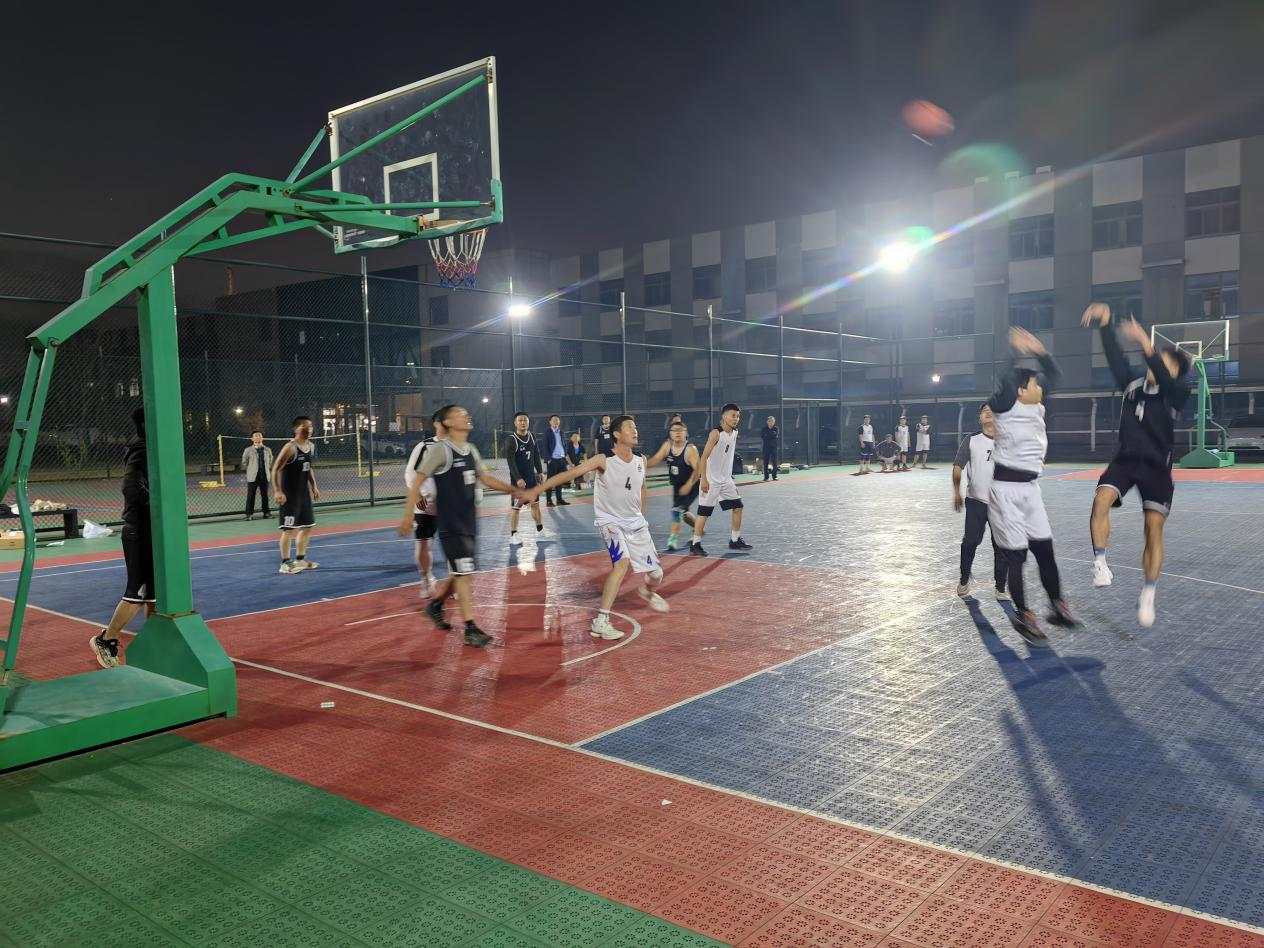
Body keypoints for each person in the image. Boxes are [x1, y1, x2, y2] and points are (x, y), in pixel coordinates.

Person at [1081, 303, 1191, 627]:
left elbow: (1162, 373)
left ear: (1174, 371)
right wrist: (1105, 324)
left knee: (1153, 528)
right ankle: (1100, 564)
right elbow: (1115, 356)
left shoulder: (1177, 393)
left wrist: (1145, 341)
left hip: (1157, 467)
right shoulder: (1132, 385)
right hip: (1126, 460)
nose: (1154, 362)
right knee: (1101, 499)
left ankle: (1148, 592)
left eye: (1164, 361)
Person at [525, 414, 668, 640]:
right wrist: (537, 490)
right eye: (630, 427)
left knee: (657, 574)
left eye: (635, 427)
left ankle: (648, 591)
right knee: (622, 562)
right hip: (610, 521)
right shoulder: (604, 459)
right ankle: (601, 621)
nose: (635, 430)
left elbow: (642, 488)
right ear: (616, 434)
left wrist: (640, 516)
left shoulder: (640, 459)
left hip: (635, 523)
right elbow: (570, 473)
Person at [399, 404, 522, 648]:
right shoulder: (439, 450)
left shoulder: (470, 450)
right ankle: (470, 629)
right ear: (447, 422)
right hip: (450, 523)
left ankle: (435, 606)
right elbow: (417, 480)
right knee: (464, 575)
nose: (466, 416)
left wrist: (513, 490)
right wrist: (407, 514)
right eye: (460, 414)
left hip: (469, 521)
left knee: (459, 574)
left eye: (466, 413)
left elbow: (485, 478)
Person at [987, 327, 1078, 646]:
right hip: (1005, 491)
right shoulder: (1005, 405)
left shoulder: (1036, 404)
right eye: (1035, 383)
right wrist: (1014, 351)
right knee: (1017, 557)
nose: (1042, 386)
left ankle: (1057, 606)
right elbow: (1003, 377)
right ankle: (1024, 615)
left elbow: (1055, 374)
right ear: (1020, 390)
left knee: (1045, 550)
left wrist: (1039, 350)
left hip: (1030, 489)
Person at [91, 406, 154, 668]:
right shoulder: (142, 451)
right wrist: (158, 504)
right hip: (139, 530)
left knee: (155, 595)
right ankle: (106, 639)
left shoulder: (152, 449)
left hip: (152, 529)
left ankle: (155, 644)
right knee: (137, 593)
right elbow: (131, 489)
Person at [952, 404, 1009, 601]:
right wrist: (956, 492)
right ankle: (964, 578)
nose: (989, 413)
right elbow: (958, 466)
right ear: (980, 418)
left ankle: (1000, 587)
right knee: (970, 542)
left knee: (1001, 546)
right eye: (985, 411)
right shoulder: (972, 440)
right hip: (976, 501)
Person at [690, 403, 752, 556]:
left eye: (738, 416)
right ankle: (695, 544)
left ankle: (734, 540)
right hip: (711, 481)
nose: (736, 419)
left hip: (726, 481)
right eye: (733, 415)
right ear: (724, 416)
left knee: (738, 507)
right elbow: (703, 457)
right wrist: (704, 479)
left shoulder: (735, 432)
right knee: (704, 513)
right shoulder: (715, 434)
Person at [403, 409, 445, 597]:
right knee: (423, 546)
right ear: (436, 423)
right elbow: (410, 473)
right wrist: (418, 494)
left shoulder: (459, 447)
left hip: (450, 507)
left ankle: (454, 583)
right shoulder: (424, 446)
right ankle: (426, 579)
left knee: (454, 547)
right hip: (425, 507)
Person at [272, 416, 321, 574]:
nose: (310, 429)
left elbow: (308, 467)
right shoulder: (290, 447)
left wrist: (314, 486)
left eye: (311, 426)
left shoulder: (310, 446)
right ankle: (285, 563)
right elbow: (275, 469)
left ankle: (300, 560)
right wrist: (278, 491)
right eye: (306, 426)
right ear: (297, 428)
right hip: (289, 495)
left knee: (307, 527)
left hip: (303, 494)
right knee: (288, 529)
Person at [645, 419, 700, 550]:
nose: (677, 433)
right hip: (677, 485)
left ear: (686, 433)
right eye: (674, 430)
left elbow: (698, 470)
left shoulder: (690, 449)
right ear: (670, 433)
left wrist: (688, 485)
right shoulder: (667, 446)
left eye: (680, 430)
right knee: (684, 513)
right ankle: (698, 528)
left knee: (677, 511)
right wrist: (638, 464)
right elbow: (655, 459)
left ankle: (672, 539)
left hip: (692, 484)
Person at [505, 412, 545, 545]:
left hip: (531, 479)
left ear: (528, 422)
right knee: (516, 508)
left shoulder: (532, 436)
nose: (523, 423)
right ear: (515, 423)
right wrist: (518, 478)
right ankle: (513, 535)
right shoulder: (512, 439)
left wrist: (540, 471)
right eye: (520, 420)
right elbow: (510, 461)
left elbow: (536, 454)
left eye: (525, 420)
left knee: (535, 505)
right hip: (518, 482)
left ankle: (540, 531)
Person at [241, 430, 273, 520]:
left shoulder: (267, 450)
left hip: (264, 476)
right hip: (253, 476)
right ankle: (249, 514)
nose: (258, 437)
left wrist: (266, 468)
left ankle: (266, 513)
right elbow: (244, 462)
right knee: (251, 496)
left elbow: (270, 461)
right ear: (252, 439)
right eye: (255, 436)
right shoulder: (248, 450)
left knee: (265, 496)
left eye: (259, 435)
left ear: (262, 438)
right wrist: (251, 469)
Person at [542, 414, 571, 506]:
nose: (556, 422)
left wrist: (565, 455)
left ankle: (559, 500)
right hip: (552, 460)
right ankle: (548, 500)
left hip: (562, 460)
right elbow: (544, 446)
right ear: (550, 422)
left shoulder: (562, 432)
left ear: (559, 422)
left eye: (557, 420)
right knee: (550, 481)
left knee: (560, 480)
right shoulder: (547, 432)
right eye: (554, 420)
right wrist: (548, 459)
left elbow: (564, 444)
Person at [761, 415, 780, 481]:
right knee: (765, 462)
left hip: (774, 448)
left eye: (772, 421)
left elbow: (775, 436)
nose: (771, 422)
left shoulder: (776, 428)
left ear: (774, 422)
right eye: (769, 421)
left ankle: (774, 476)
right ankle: (766, 477)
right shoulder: (764, 429)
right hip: (766, 448)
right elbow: (763, 437)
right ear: (767, 422)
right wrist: (771, 435)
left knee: (775, 462)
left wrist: (768, 435)